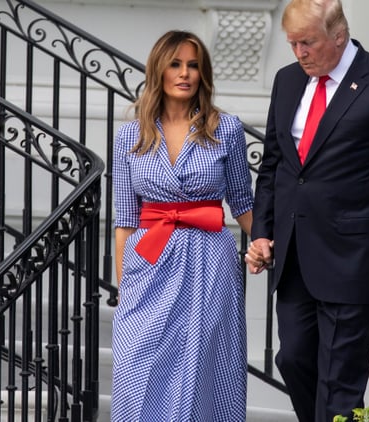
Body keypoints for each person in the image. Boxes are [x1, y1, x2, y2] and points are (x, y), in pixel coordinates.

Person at [245, 1, 369, 420]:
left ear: (338, 36)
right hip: (294, 258)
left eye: (307, 42)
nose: (299, 53)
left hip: (357, 260)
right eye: (292, 43)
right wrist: (261, 230)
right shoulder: (287, 81)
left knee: (340, 383)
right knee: (291, 359)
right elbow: (275, 165)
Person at [109, 30, 254, 421]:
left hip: (211, 261)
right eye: (175, 64)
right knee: (137, 366)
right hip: (150, 261)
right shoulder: (129, 136)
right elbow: (124, 220)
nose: (185, 73)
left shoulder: (226, 129)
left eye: (193, 65)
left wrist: (269, 243)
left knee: (204, 366)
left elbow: (242, 202)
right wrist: (125, 289)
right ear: (159, 70)